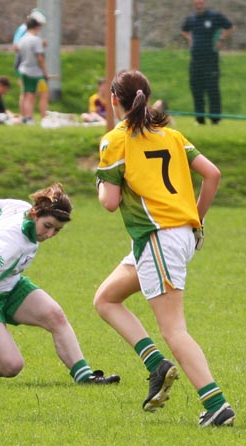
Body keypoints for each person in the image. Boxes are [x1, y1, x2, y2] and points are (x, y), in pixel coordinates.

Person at [93, 69, 235, 427]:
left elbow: (109, 202)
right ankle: (156, 365)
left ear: (114, 99)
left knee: (174, 329)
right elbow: (213, 174)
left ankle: (216, 405)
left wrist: (101, 178)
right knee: (106, 299)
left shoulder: (116, 139)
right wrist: (195, 220)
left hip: (159, 239)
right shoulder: (171, 135)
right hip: (166, 238)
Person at [0, 184, 120, 386]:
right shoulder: (11, 243)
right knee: (11, 366)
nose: (50, 235)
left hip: (9, 284)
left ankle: (85, 377)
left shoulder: (19, 206)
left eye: (57, 230)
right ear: (34, 214)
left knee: (55, 316)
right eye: (48, 226)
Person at [181, 0, 235, 125]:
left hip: (211, 60)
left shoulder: (214, 16)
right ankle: (200, 119)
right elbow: (183, 30)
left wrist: (221, 38)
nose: (198, 5)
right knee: (196, 89)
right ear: (194, 4)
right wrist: (190, 39)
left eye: (200, 3)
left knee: (212, 89)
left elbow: (230, 27)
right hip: (195, 60)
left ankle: (215, 119)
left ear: (204, 3)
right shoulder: (191, 19)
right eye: (196, 3)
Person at [12, 8, 48, 119]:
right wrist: (37, 45)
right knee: (28, 93)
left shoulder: (28, 34)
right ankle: (26, 116)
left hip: (25, 64)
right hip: (25, 64)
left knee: (28, 92)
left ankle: (27, 116)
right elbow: (16, 47)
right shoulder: (23, 30)